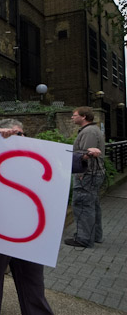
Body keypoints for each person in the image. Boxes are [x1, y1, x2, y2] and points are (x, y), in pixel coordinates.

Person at [0, 118, 54, 315]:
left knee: (32, 280)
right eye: (14, 134)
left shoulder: (34, 158)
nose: (19, 138)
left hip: (27, 232)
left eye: (22, 134)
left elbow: (59, 162)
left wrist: (85, 158)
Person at [64, 106, 106, 248]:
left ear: (83, 117)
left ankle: (83, 238)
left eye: (74, 115)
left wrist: (81, 174)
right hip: (93, 174)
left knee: (82, 204)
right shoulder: (92, 130)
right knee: (92, 204)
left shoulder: (88, 132)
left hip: (87, 174)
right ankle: (95, 236)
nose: (72, 117)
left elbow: (86, 155)